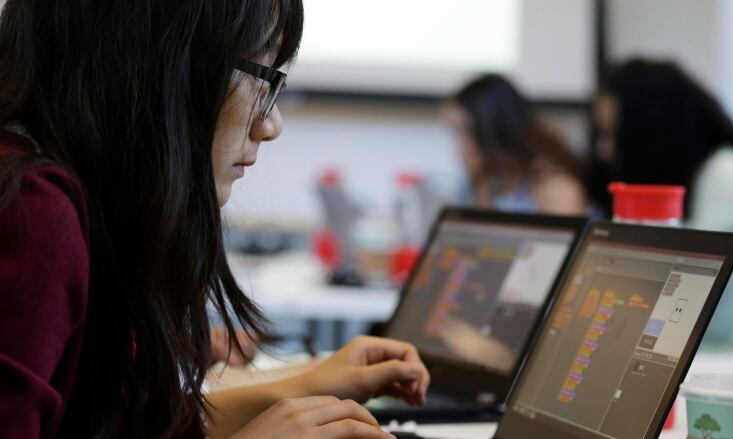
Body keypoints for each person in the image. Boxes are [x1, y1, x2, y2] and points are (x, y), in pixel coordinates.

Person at [0, 1, 429, 438]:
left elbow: (121, 426)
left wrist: (307, 386)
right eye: (264, 79)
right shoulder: (30, 212)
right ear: (166, 67)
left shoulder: (70, 197)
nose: (271, 124)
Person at [591, 58, 733, 352]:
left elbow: (676, 286)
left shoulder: (724, 174)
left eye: (613, 134)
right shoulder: (697, 177)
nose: (604, 150)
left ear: (649, 132)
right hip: (707, 350)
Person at [444, 74, 588, 215]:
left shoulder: (555, 186)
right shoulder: (482, 182)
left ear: (494, 133)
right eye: (454, 134)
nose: (458, 148)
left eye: (465, 133)